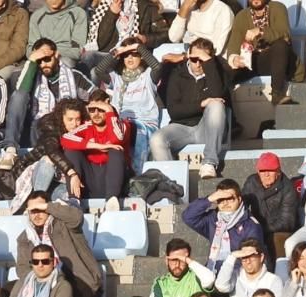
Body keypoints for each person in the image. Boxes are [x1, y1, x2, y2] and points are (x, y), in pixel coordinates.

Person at [150, 38, 229, 180]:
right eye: (194, 59)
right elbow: (174, 110)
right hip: (181, 128)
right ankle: (171, 184)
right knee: (156, 139)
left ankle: (209, 163)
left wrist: (210, 65)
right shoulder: (177, 74)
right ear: (188, 56)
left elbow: (218, 94)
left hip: (206, 129)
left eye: (203, 60)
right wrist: (201, 104)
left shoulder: (217, 72)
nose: (198, 64)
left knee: (216, 104)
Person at [15, 191, 102, 297]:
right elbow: (22, 268)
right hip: (43, 281)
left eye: (40, 209)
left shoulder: (64, 224)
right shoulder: (25, 238)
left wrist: (48, 206)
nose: (36, 214)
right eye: (32, 211)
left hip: (78, 277)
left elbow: (77, 218)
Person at [90, 39, 163, 173]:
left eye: (133, 54)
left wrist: (138, 46)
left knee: (137, 131)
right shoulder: (116, 77)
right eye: (126, 55)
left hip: (144, 123)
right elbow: (99, 71)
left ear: (140, 56)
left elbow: (157, 67)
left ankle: (137, 173)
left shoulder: (148, 76)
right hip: (120, 122)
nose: (129, 57)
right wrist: (117, 51)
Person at [7, 39, 95, 149]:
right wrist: (32, 61)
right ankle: (10, 148)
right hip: (37, 125)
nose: (43, 64)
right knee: (18, 96)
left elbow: (96, 95)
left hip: (68, 125)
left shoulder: (74, 76)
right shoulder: (32, 76)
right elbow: (20, 94)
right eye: (39, 61)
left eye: (47, 59)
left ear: (56, 55)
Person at [225, 0, 303, 105]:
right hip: (256, 62)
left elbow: (285, 35)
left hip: (280, 59)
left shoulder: (278, 8)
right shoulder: (241, 16)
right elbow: (233, 47)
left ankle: (277, 94)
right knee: (223, 68)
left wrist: (261, 31)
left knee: (280, 45)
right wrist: (235, 59)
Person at [182, 179, 265, 273]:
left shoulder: (251, 225)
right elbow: (188, 217)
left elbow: (252, 258)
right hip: (213, 270)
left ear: (239, 199)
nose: (225, 203)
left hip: (237, 274)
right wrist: (209, 199)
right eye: (220, 199)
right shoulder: (213, 219)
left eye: (229, 198)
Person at [59, 90, 128, 200]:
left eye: (100, 109)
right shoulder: (86, 127)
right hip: (90, 180)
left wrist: (109, 111)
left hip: (114, 181)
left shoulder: (122, 124)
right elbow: (65, 139)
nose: (96, 114)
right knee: (71, 151)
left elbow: (116, 140)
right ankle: (74, 200)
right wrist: (99, 146)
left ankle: (112, 200)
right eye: (92, 110)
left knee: (116, 150)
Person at [240, 152, 299, 259]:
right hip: (256, 226)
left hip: (279, 230)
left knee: (278, 239)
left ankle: (280, 271)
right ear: (258, 171)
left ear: (278, 172)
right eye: (262, 171)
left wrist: (261, 229)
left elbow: (287, 222)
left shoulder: (288, 188)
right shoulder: (251, 182)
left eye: (270, 170)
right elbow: (241, 204)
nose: (266, 174)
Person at [148, 239, 216, 297]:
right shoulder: (160, 283)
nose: (177, 264)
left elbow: (210, 279)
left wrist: (189, 261)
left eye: (181, 260)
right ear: (166, 260)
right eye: (173, 260)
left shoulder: (196, 277)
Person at [214, 238, 283, 297]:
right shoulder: (235, 276)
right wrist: (232, 256)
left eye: (251, 256)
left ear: (261, 257)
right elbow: (220, 286)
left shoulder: (273, 281)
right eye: (244, 257)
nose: (248, 261)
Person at [29, 0, 89, 68]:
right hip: (40, 57)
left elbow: (78, 50)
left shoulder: (78, 13)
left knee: (65, 63)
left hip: (65, 58)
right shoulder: (37, 16)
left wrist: (52, 52)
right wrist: (43, 53)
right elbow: (31, 47)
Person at [168, 0, 234, 55]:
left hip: (209, 61)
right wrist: (184, 8)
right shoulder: (189, 6)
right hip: (187, 52)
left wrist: (185, 57)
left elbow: (216, 50)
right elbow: (174, 38)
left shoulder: (222, 10)